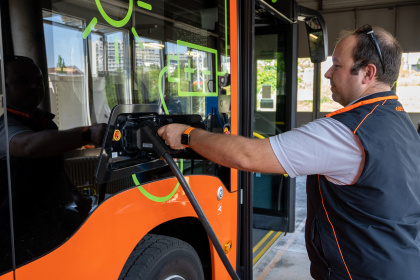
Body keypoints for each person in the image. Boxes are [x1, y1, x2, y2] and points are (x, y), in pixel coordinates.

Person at [158, 25, 420, 279]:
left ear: (367, 73)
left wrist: (187, 135)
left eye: (337, 65)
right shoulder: (399, 120)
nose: (328, 74)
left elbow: (247, 156)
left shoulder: (345, 133)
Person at [0, 55, 106, 268]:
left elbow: (54, 167)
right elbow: (28, 145)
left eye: (39, 81)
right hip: (17, 230)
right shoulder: (6, 126)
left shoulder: (45, 123)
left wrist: (75, 194)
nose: (34, 87)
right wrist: (86, 135)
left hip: (51, 220)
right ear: (4, 86)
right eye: (23, 82)